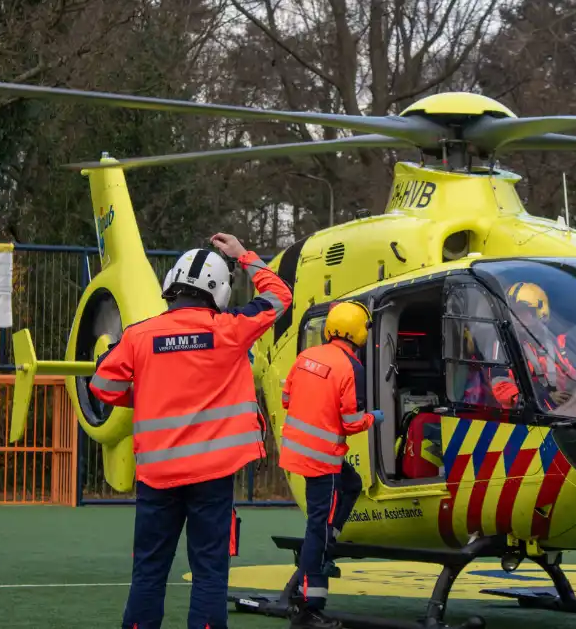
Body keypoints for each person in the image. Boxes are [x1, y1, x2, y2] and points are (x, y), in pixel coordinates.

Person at [89, 233, 292, 629]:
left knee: (149, 572)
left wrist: (146, 396)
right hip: (213, 475)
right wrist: (243, 255)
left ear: (171, 284)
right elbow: (280, 296)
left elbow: (103, 386)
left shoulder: (139, 335)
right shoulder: (230, 329)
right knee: (209, 573)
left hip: (157, 476)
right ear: (218, 290)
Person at [279, 300, 384, 629]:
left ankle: (332, 533)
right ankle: (311, 608)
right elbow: (352, 422)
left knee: (351, 485)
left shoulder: (306, 356)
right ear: (358, 333)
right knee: (317, 530)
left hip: (298, 451)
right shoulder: (352, 367)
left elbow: (286, 398)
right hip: (323, 458)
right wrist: (375, 418)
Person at [465, 281, 576, 412]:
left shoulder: (555, 341)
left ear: (541, 313)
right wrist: (544, 397)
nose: (515, 318)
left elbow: (574, 375)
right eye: (512, 312)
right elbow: (502, 387)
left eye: (523, 312)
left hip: (565, 411)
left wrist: (575, 393)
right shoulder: (504, 343)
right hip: (529, 416)